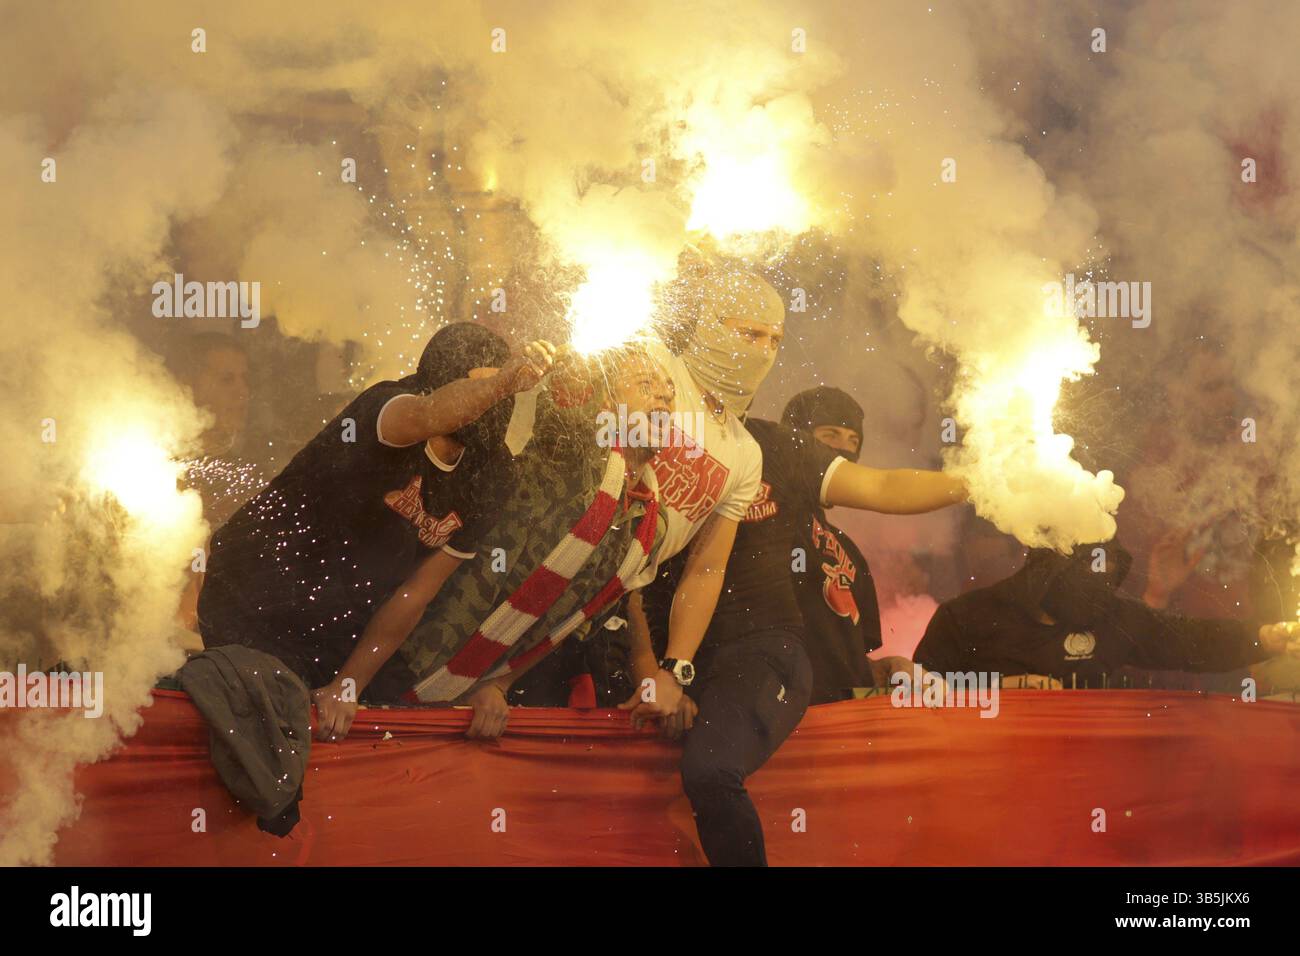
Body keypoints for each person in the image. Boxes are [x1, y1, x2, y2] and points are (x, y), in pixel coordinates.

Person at [627, 391, 967, 865]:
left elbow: (885, 488)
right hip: (681, 666)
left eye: (853, 441)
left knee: (711, 770)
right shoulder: (644, 441)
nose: (844, 450)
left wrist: (983, 485)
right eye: (830, 436)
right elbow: (630, 580)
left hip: (759, 660)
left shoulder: (781, 460)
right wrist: (661, 672)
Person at [198, 324, 553, 732]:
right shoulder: (388, 406)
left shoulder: (493, 475)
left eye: (505, 392)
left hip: (332, 626)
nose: (498, 401)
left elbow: (416, 591)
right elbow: (429, 413)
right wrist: (505, 380)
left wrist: (347, 685)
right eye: (486, 387)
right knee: (259, 729)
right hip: (249, 597)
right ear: (448, 378)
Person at [319, 342, 676, 740]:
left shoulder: (650, 527)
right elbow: (550, 407)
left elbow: (572, 624)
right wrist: (551, 362)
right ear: (607, 399)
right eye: (646, 384)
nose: (663, 395)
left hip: (469, 691)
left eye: (669, 392)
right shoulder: (570, 448)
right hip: (398, 651)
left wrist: (497, 684)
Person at [913, 544, 1299, 687]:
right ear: (1045, 573)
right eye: (1085, 576)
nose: (1098, 593)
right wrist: (1002, 690)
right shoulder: (965, 617)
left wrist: (1264, 638)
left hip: (1080, 788)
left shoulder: (1112, 616)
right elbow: (913, 699)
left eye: (1107, 578)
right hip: (988, 785)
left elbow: (1189, 642)